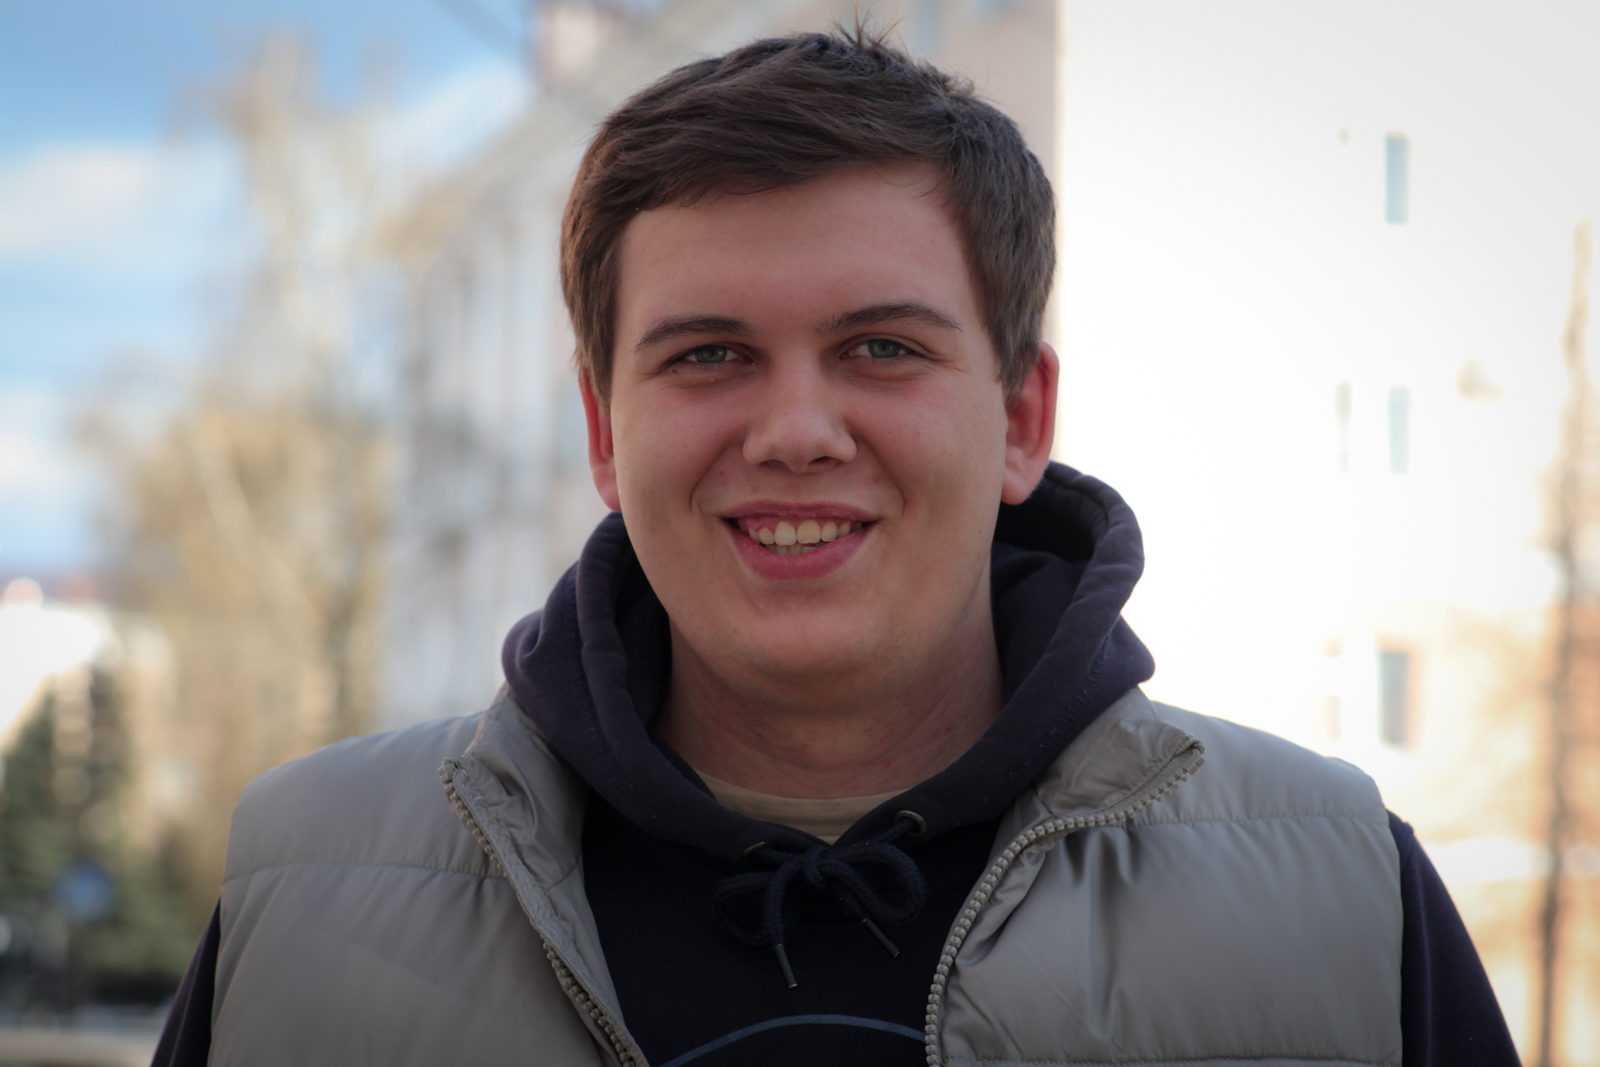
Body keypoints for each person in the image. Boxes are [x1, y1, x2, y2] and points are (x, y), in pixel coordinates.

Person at [153, 28, 1520, 1067]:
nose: (797, 431)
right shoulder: (304, 893)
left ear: (1021, 419)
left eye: (880, 347)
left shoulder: (1343, 895)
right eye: (709, 355)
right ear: (605, 431)